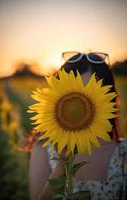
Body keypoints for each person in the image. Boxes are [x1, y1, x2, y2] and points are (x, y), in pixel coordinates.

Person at [29, 51, 127, 200]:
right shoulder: (43, 147)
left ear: (108, 101)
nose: (77, 109)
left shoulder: (123, 154)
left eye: (91, 94)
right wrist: (64, 162)